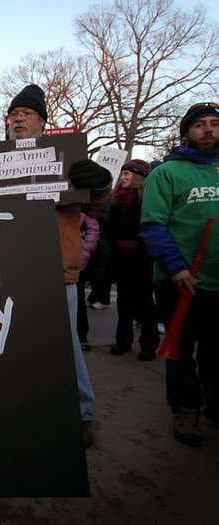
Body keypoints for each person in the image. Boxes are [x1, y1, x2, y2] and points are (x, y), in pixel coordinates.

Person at [6, 84, 112, 447]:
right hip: (9, 271)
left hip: (57, 269)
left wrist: (99, 183)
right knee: (15, 345)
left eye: (26, 113)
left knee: (65, 346)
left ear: (42, 123)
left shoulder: (67, 160)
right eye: (13, 114)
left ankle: (81, 414)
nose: (18, 118)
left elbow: (95, 199)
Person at [141, 102, 219, 447]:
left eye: (215, 124)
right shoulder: (166, 173)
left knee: (216, 351)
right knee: (181, 350)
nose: (208, 130)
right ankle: (186, 408)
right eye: (200, 124)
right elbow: (153, 225)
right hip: (181, 281)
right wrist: (176, 266)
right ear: (187, 131)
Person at [108, 160, 159, 360]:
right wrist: (115, 244)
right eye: (122, 174)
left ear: (138, 178)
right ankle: (123, 342)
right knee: (124, 303)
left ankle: (149, 346)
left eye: (127, 174)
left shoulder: (147, 200)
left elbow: (152, 226)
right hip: (122, 261)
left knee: (145, 305)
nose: (123, 177)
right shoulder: (116, 201)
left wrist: (137, 244)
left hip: (142, 261)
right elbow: (110, 228)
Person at [77, 209, 100, 352]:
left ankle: (81, 336)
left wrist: (84, 253)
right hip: (73, 260)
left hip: (76, 262)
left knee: (78, 300)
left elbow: (93, 229)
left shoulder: (83, 212)